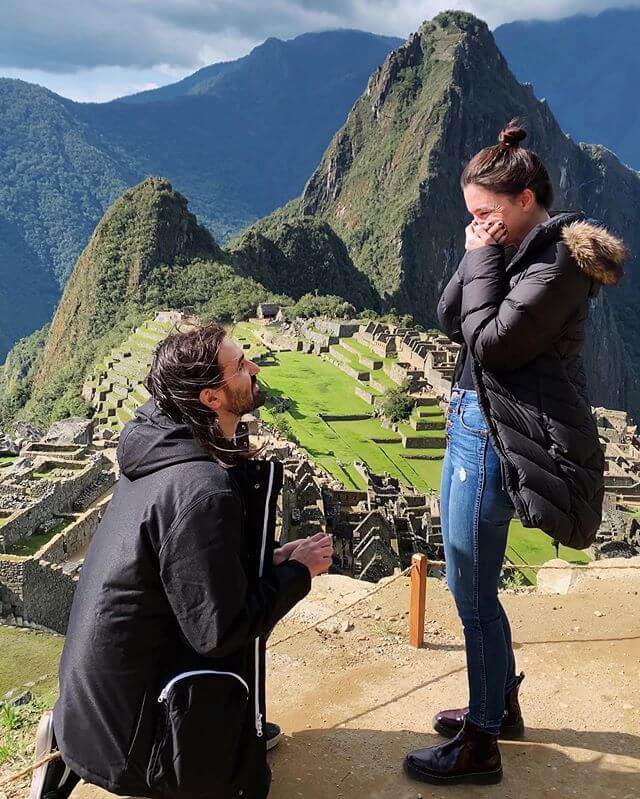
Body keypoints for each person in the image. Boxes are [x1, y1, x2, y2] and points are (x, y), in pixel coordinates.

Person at [404, 119, 626, 786]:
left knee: (470, 591)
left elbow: (493, 344)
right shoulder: (511, 250)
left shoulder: (559, 263)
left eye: (485, 212)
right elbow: (451, 316)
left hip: (495, 435)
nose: (477, 224)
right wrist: (479, 253)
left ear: (526, 198)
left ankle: (480, 742)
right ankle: (497, 703)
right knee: (471, 585)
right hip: (479, 421)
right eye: (471, 215)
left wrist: (482, 260)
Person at [30, 322, 333, 799]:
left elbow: (180, 571)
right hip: (132, 746)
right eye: (239, 367)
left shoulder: (160, 455)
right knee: (248, 785)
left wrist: (268, 559)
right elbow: (220, 631)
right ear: (212, 398)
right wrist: (298, 573)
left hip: (95, 710)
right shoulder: (201, 489)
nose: (253, 369)